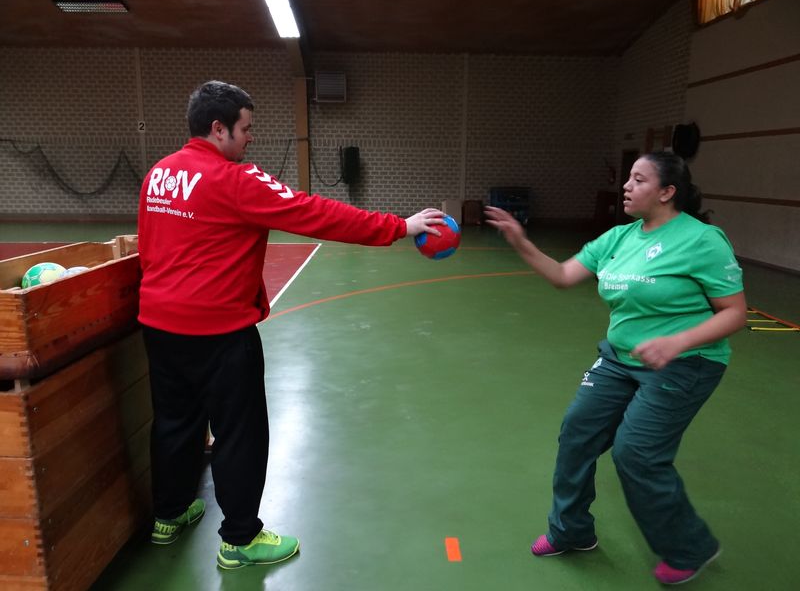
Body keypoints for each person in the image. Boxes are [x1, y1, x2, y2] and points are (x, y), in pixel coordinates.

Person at [137, 80, 444, 570]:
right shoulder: (235, 179)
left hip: (159, 325)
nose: (251, 137)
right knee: (239, 433)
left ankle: (169, 515)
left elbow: (150, 247)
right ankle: (240, 540)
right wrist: (399, 226)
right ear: (219, 129)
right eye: (246, 128)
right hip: (219, 332)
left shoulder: (159, 175)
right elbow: (314, 212)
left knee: (175, 421)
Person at [484, 151, 746, 585]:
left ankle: (690, 546)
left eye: (639, 180)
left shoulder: (702, 240)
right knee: (577, 433)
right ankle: (571, 531)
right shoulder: (619, 237)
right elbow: (563, 276)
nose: (626, 186)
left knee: (636, 452)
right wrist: (520, 241)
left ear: (667, 192)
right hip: (620, 358)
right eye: (629, 178)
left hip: (686, 362)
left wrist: (677, 341)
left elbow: (734, 313)